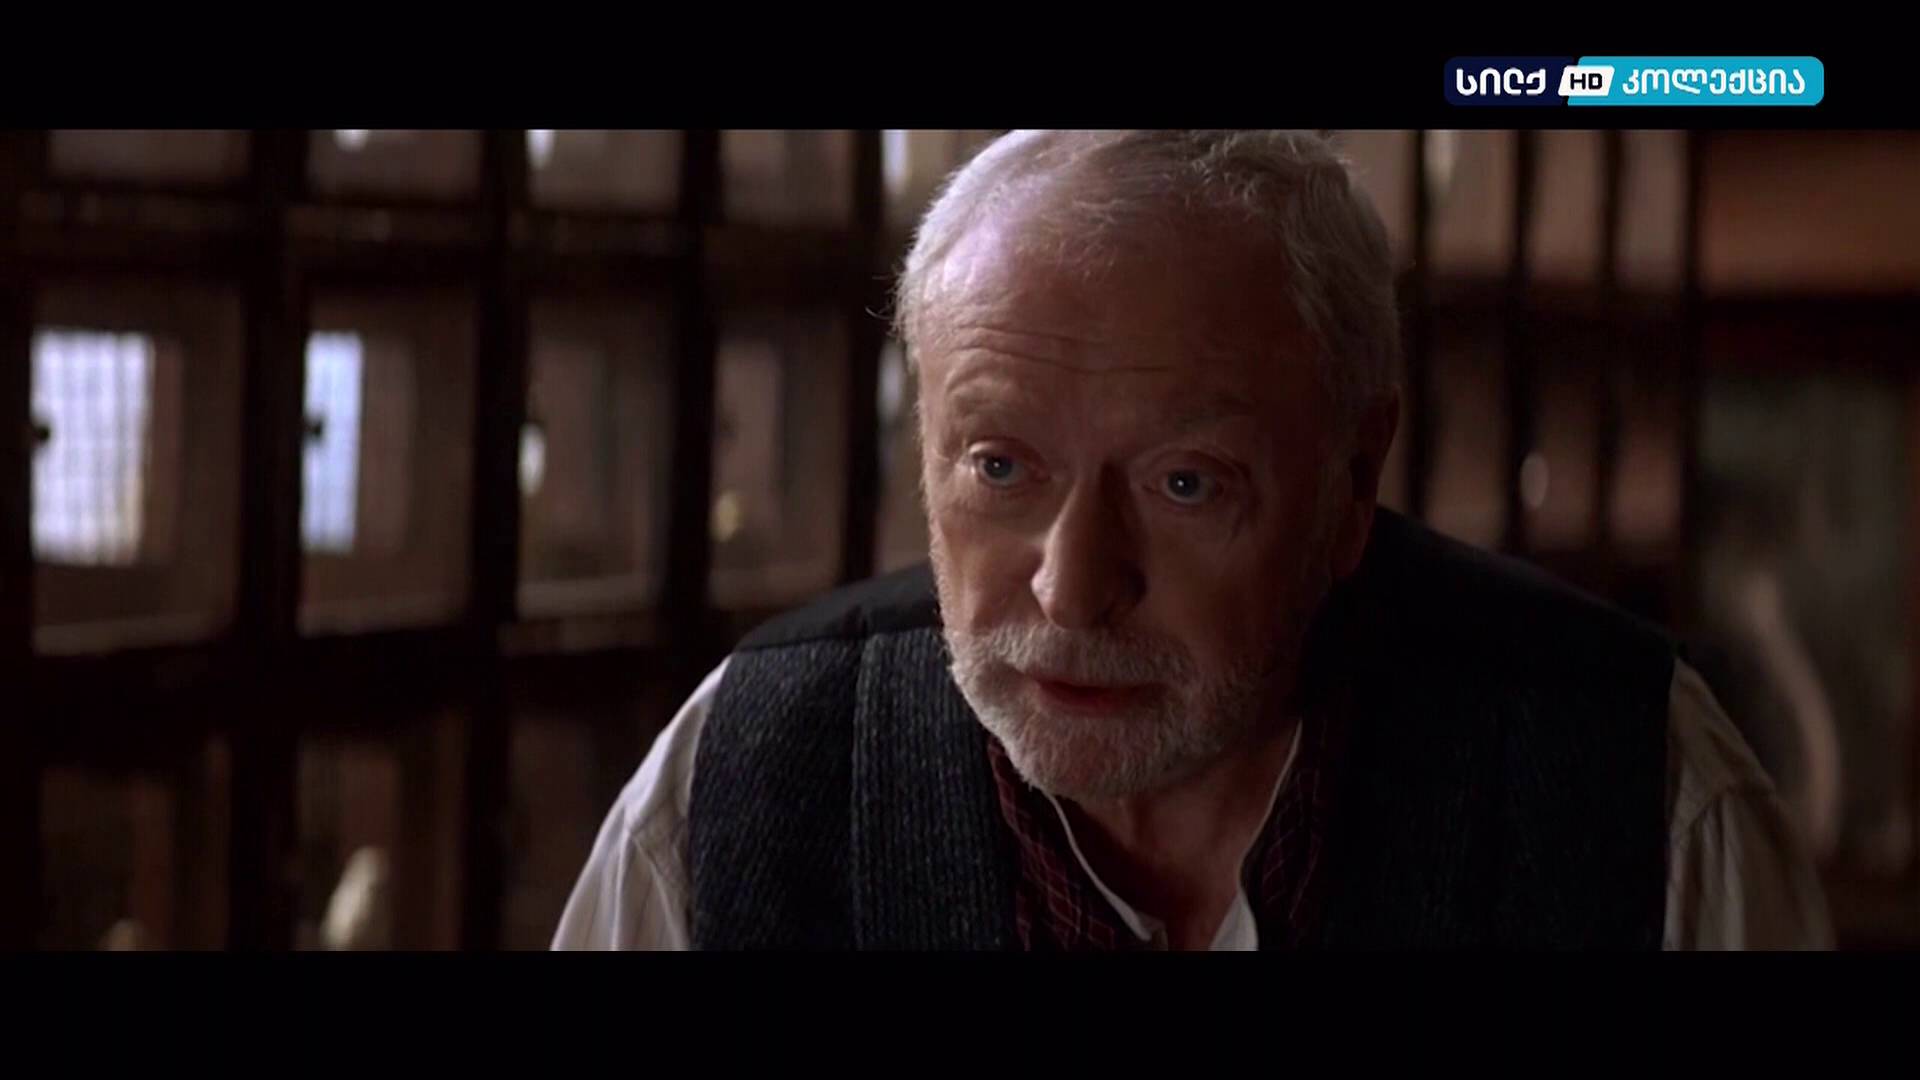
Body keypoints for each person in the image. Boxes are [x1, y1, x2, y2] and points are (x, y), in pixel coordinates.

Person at [554, 130, 1831, 950]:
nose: (1071, 588)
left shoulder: (1629, 787)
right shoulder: (750, 773)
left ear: (1352, 481)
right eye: (999, 467)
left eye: (1184, 483)